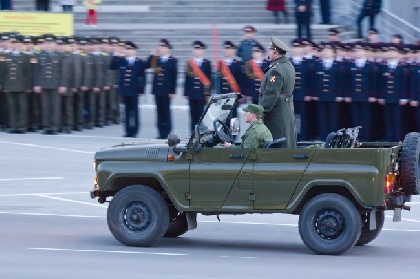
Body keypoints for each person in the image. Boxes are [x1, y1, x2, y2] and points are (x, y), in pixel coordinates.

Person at [259, 36, 296, 148]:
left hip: (276, 112)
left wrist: (260, 112)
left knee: (277, 139)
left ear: (275, 52)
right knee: (287, 137)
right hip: (285, 108)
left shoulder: (276, 70)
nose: (268, 53)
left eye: (270, 50)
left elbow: (271, 93)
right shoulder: (287, 65)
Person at [110, 41, 146, 137]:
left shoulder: (139, 62)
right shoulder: (122, 60)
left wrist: (141, 89)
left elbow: (142, 77)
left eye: (130, 49)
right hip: (125, 90)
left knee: (134, 111)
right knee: (126, 111)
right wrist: (116, 54)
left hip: (134, 90)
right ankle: (127, 131)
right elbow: (112, 66)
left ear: (135, 51)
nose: (128, 51)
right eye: (127, 49)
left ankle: (134, 131)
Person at [146, 39, 178, 139]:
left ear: (168, 49)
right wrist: (152, 55)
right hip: (157, 89)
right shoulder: (156, 59)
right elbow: (147, 65)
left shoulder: (172, 60)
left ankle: (167, 132)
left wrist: (172, 91)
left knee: (166, 111)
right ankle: (160, 132)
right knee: (159, 111)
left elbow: (174, 77)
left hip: (166, 90)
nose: (160, 49)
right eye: (159, 47)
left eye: (163, 47)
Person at [184, 40, 212, 134]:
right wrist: (186, 92)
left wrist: (207, 94)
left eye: (199, 49)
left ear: (203, 51)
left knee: (201, 115)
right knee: (192, 115)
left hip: (201, 93)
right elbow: (187, 78)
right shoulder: (189, 63)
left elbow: (209, 79)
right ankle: (192, 133)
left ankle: (200, 134)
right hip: (192, 92)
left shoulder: (206, 63)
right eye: (195, 49)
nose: (197, 51)